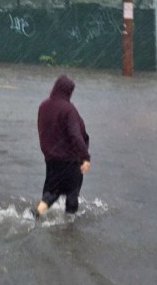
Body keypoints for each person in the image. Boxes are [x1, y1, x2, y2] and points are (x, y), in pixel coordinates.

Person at [34, 74, 91, 219]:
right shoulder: (68, 109)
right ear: (69, 92)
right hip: (70, 160)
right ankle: (69, 229)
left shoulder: (43, 106)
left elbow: (43, 130)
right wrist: (85, 157)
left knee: (51, 193)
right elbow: (76, 135)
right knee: (72, 195)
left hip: (51, 159)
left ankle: (34, 214)